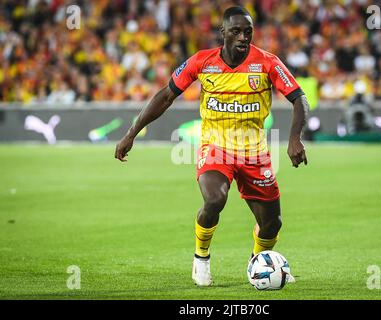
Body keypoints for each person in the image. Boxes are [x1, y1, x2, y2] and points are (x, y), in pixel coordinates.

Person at [115, 6, 309, 286]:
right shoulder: (202, 61)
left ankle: (258, 262)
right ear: (223, 33)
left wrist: (294, 138)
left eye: (248, 32)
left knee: (272, 224)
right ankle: (201, 257)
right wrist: (132, 132)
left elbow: (299, 99)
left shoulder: (267, 62)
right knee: (215, 199)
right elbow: (166, 96)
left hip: (255, 152)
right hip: (216, 147)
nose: (243, 37)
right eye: (236, 31)